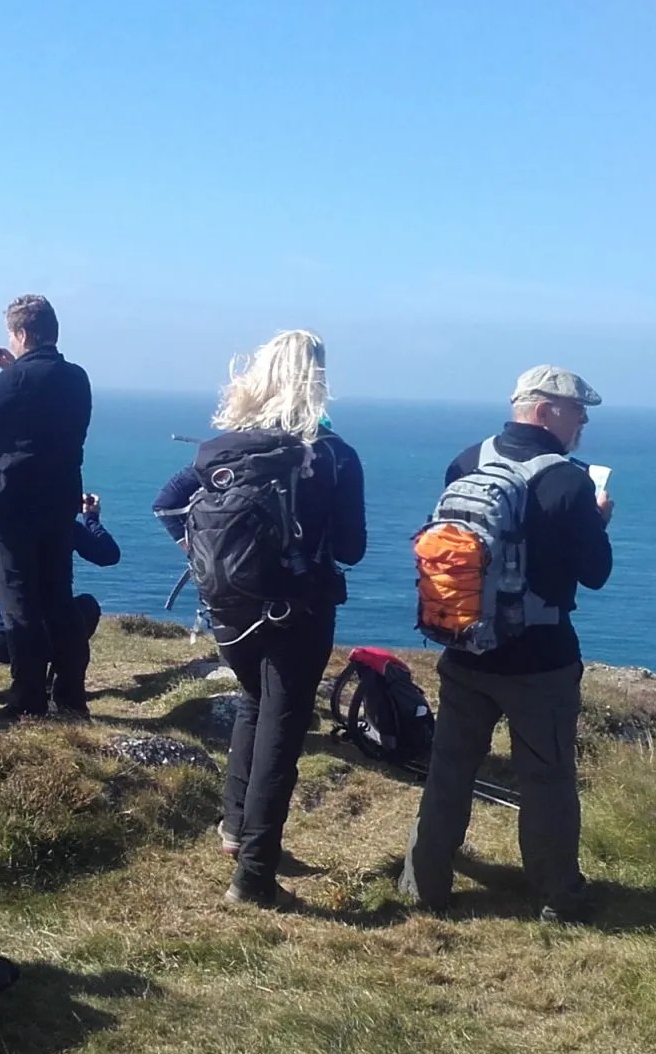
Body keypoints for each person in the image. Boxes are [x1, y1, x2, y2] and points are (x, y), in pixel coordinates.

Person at [400, 366, 614, 923]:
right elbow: (595, 573)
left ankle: (424, 886)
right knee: (546, 778)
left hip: (466, 645)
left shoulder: (467, 461)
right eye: (577, 410)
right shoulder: (570, 482)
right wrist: (599, 520)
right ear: (543, 410)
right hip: (540, 660)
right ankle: (558, 898)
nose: (584, 420)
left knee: (450, 769)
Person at [178, 330, 365, 910]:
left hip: (229, 611)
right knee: (282, 735)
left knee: (255, 706)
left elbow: (168, 503)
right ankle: (254, 877)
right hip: (298, 612)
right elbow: (353, 548)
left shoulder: (219, 450)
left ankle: (235, 829)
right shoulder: (333, 456)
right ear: (316, 381)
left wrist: (212, 564)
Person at [0, 294, 94, 722]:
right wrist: (14, 373)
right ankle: (70, 697)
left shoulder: (16, 382)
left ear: (23, 334)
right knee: (58, 600)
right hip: (59, 502)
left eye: (11, 334)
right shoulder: (76, 378)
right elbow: (42, 415)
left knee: (18, 605)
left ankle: (28, 700)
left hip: (10, 506)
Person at [0, 492, 119, 702]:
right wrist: (90, 519)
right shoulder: (64, 527)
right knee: (87, 605)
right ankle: (56, 677)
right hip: (52, 637)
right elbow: (109, 555)